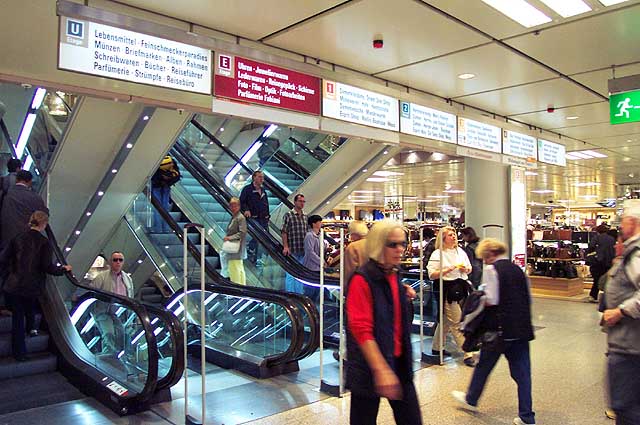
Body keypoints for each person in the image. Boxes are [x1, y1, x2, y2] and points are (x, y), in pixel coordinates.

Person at [452, 238, 536, 425]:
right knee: (523, 374)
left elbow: (491, 300)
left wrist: (476, 301)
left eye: (484, 257)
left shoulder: (492, 270)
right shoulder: (517, 270)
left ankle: (471, 399)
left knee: (484, 365)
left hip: (499, 330)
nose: (484, 261)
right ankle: (527, 416)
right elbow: (527, 299)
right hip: (521, 329)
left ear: (489, 254)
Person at [346, 219, 422, 425]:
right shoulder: (362, 279)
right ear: (379, 244)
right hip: (369, 368)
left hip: (399, 361)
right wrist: (381, 370)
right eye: (393, 244)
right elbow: (361, 330)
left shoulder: (394, 275)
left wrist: (402, 292)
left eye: (403, 243)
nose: (400, 249)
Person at [0, 211, 71, 361]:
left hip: (13, 285)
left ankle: (19, 353)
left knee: (17, 317)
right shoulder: (45, 242)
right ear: (44, 224)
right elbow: (47, 267)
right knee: (30, 306)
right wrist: (63, 270)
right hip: (31, 286)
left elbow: (4, 259)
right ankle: (31, 328)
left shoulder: (17, 237)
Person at [602, 214, 640, 424]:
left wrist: (620, 311)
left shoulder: (635, 254)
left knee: (625, 408)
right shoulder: (629, 253)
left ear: (633, 223)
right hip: (626, 344)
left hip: (629, 347)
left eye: (624, 220)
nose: (620, 225)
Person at [427, 226, 474, 366]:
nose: (453, 236)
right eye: (449, 235)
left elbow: (469, 268)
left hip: (461, 287)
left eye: (454, 234)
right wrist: (449, 269)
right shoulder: (437, 254)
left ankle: (436, 347)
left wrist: (466, 269)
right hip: (447, 290)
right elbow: (432, 274)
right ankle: (468, 353)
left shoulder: (461, 251)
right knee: (456, 321)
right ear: (443, 238)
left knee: (446, 320)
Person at [90, 251, 135, 354]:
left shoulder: (127, 279)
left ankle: (116, 357)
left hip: (118, 312)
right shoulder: (102, 277)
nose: (118, 262)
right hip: (103, 311)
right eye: (115, 260)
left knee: (121, 334)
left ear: (123, 262)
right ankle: (108, 357)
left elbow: (130, 295)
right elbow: (92, 292)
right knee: (109, 333)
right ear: (111, 262)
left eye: (120, 260)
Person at [0, 170, 47, 250]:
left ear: (16, 179)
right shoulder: (35, 197)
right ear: (30, 182)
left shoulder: (6, 193)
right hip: (24, 238)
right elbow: (44, 214)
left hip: (5, 235)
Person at [240, 170, 269, 264]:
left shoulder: (263, 190)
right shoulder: (247, 189)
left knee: (265, 237)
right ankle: (251, 251)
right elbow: (242, 202)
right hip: (254, 218)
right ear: (254, 177)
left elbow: (265, 202)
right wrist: (246, 210)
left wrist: (268, 214)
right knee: (257, 235)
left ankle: (254, 252)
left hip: (263, 218)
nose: (262, 179)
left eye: (262, 177)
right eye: (260, 177)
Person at [282, 194, 307, 293]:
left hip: (302, 249)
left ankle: (299, 294)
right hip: (292, 249)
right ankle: (290, 293)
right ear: (295, 202)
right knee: (291, 274)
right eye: (300, 201)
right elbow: (284, 231)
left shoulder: (305, 216)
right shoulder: (289, 215)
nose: (302, 203)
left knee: (300, 274)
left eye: (303, 201)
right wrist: (285, 246)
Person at [150, 155, 181, 233]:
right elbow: (177, 175)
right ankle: (166, 228)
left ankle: (158, 228)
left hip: (156, 186)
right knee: (165, 207)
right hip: (167, 186)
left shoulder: (157, 160)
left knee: (158, 207)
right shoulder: (171, 161)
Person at [588, 224, 616, 303]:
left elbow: (591, 247)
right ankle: (607, 297)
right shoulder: (612, 239)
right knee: (607, 279)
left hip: (597, 261)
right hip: (608, 261)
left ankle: (593, 295)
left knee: (596, 279)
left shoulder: (596, 238)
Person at [224, 197, 247, 285]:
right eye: (231, 206)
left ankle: (237, 288)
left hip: (236, 247)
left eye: (235, 206)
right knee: (238, 268)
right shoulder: (235, 217)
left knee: (235, 269)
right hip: (235, 247)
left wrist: (230, 238)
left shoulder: (240, 218)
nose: (233, 208)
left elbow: (242, 232)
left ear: (239, 206)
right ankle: (242, 287)